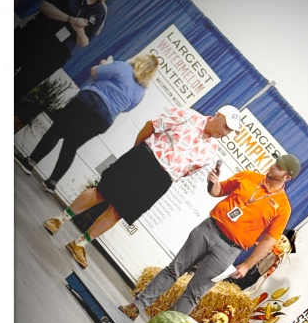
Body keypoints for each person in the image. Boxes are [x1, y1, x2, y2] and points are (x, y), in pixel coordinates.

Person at [41, 104, 242, 269]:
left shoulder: (211, 150)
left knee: (120, 211)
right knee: (102, 192)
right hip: (144, 158)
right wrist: (137, 152)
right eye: (225, 126)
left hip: (162, 180)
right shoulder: (188, 116)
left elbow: (189, 171)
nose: (225, 133)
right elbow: (151, 126)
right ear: (217, 115)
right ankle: (59, 220)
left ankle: (80, 243)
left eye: (230, 131)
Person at [118, 155, 302, 321]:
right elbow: (218, 191)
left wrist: (247, 265)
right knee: (173, 270)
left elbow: (269, 240)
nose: (273, 166)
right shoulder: (248, 176)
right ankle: (135, 307)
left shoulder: (282, 207)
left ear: (287, 177)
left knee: (195, 292)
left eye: (279, 167)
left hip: (230, 249)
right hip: (209, 229)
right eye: (275, 162)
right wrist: (212, 183)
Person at [15, 53, 158, 194]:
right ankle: (52, 183)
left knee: (57, 131)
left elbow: (94, 73)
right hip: (104, 118)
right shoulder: (141, 93)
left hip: (87, 101)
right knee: (71, 146)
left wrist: (103, 65)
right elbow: (126, 109)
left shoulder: (122, 67)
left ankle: (30, 163)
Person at [14, 0, 123, 103]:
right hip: (36, 34)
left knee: (20, 88)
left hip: (56, 53)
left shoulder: (100, 12)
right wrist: (69, 19)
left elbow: (84, 42)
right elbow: (44, 6)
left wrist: (79, 30)